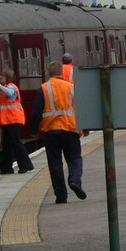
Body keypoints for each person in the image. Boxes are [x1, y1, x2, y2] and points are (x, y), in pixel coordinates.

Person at [29, 60, 86, 204]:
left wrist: (33, 130)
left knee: (55, 163)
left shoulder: (44, 88)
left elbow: (36, 112)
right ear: (61, 72)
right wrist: (85, 127)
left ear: (49, 73)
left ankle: (61, 195)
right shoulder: (72, 87)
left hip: (51, 131)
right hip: (71, 129)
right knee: (75, 158)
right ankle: (75, 181)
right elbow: (81, 107)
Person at [0, 68, 34, 174]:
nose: (0, 77)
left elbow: (10, 94)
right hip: (7, 121)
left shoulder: (11, 87)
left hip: (14, 120)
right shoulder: (5, 89)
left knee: (16, 143)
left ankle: (26, 165)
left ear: (7, 77)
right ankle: (7, 168)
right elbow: (6, 105)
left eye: (2, 76)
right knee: (7, 145)